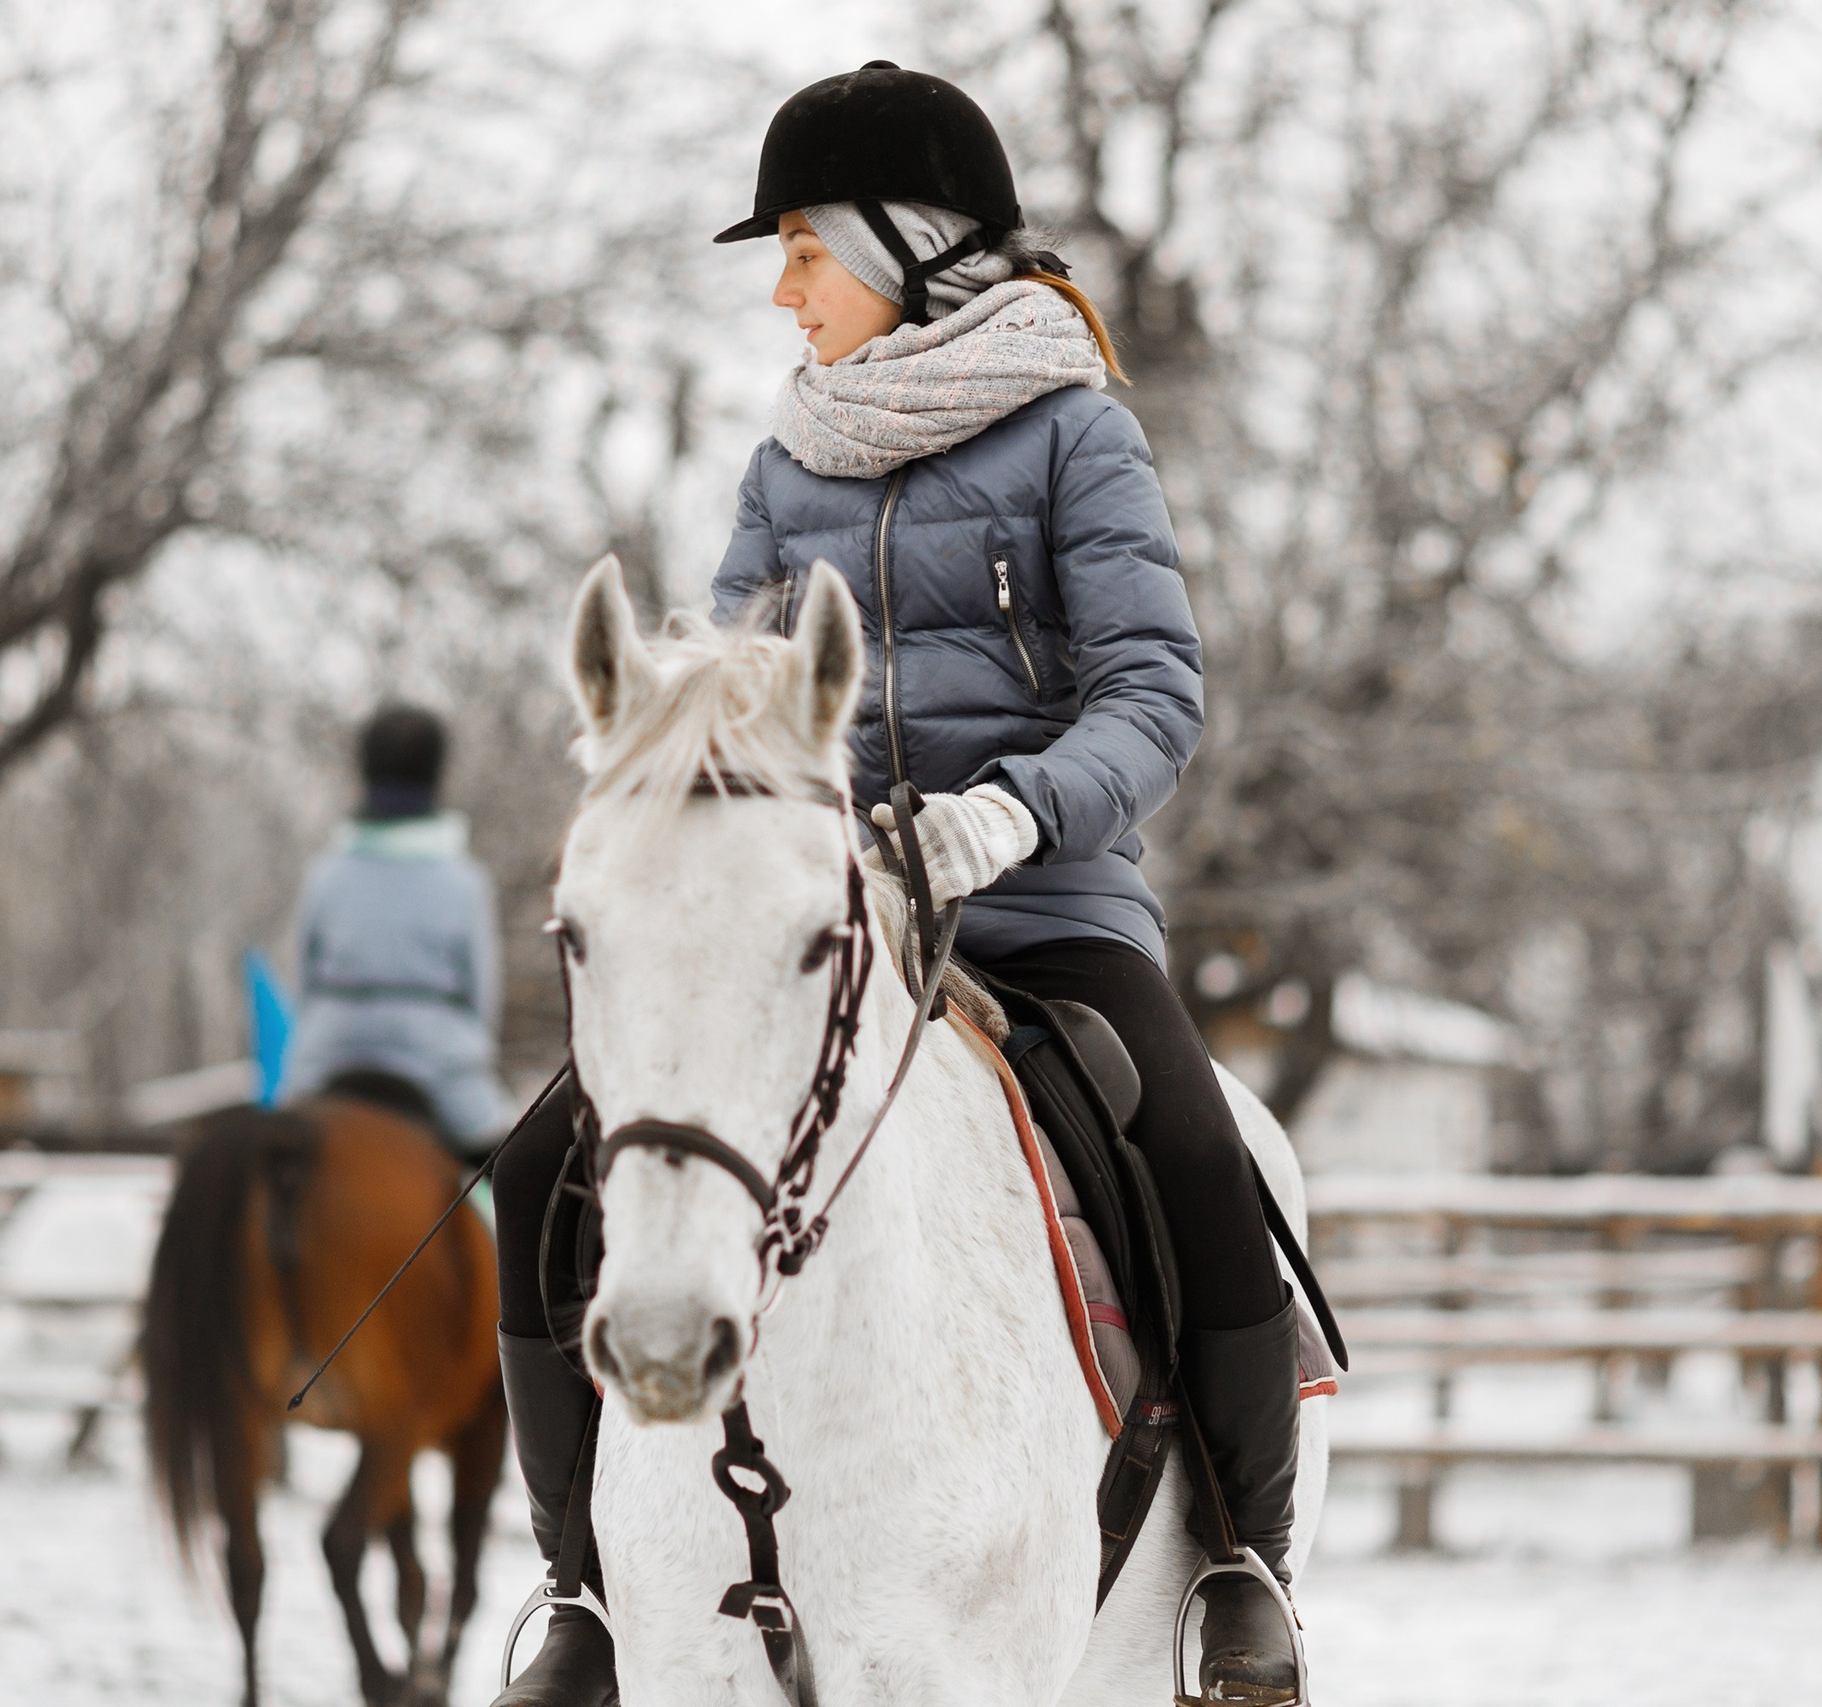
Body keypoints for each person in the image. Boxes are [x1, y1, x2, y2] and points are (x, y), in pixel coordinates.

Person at [488, 62, 1305, 1706]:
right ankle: (579, 1586)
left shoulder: (1081, 434)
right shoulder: (789, 461)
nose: (781, 290)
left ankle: (1237, 1561)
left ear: (912, 244)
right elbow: (729, 682)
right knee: (535, 1164)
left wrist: (1010, 820)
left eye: (803, 249)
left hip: (1047, 907)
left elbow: (1154, 687)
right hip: (829, 925)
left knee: (1200, 1154)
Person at [280, 704, 512, 1156]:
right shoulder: (465, 882)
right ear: (437, 777)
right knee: (505, 1174)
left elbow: (300, 981)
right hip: (439, 1064)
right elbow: (482, 996)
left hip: (328, 1055)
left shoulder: (324, 876)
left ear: (363, 775)